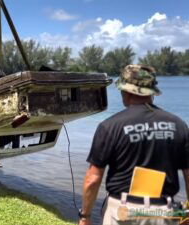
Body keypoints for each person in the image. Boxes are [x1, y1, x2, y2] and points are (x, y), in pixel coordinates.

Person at [79, 65, 189, 225]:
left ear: (126, 91)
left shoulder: (110, 126)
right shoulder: (178, 125)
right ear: (151, 93)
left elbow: (93, 179)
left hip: (123, 212)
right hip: (163, 213)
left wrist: (85, 217)